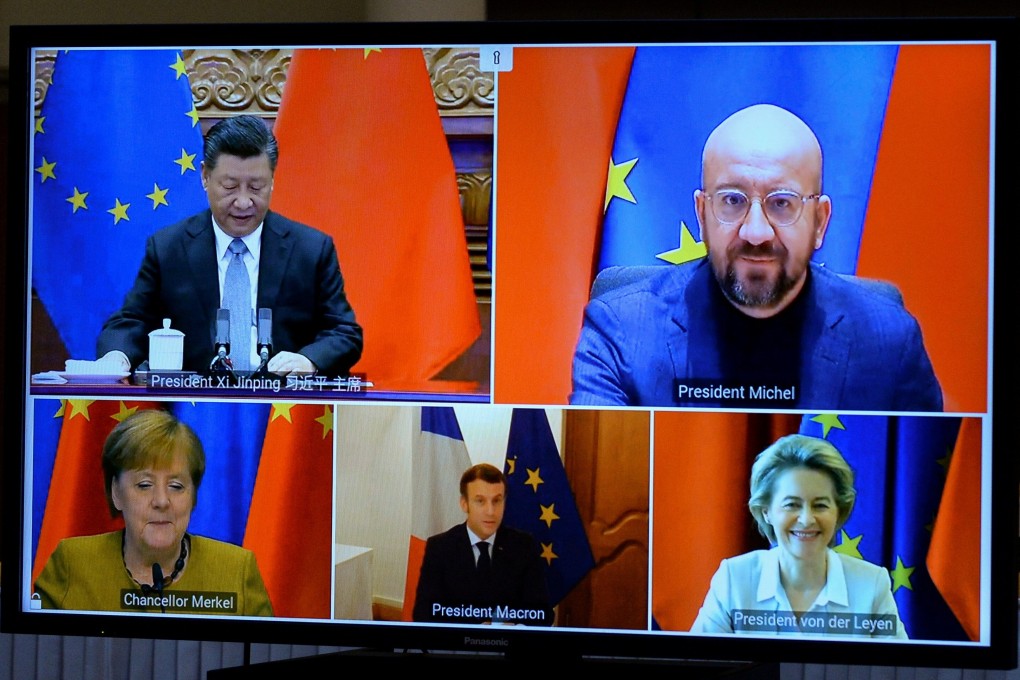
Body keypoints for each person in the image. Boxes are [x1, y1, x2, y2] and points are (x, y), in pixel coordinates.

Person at [570, 104, 942, 411]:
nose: (756, 232)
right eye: (732, 201)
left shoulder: (890, 343)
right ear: (702, 215)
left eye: (782, 203)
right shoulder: (620, 330)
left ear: (820, 221)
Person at [97, 115, 362, 377]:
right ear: (205, 176)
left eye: (256, 187)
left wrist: (308, 360)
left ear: (272, 180)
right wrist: (117, 357)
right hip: (195, 409)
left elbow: (344, 332)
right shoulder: (169, 248)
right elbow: (130, 322)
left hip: (280, 408)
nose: (244, 202)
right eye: (230, 186)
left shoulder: (311, 250)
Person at [34, 410, 273, 616]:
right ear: (116, 492)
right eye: (144, 485)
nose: (161, 501)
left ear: (193, 497)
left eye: (176, 487)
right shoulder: (72, 564)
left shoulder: (236, 570)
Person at [691, 434, 907, 639]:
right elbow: (700, 664)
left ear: (838, 511)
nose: (806, 519)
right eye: (792, 505)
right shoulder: (734, 578)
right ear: (766, 511)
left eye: (820, 505)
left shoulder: (872, 583)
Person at [412, 463, 552, 625]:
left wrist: (514, 628)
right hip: (459, 647)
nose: (490, 511)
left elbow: (543, 614)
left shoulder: (524, 546)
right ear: (464, 503)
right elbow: (423, 614)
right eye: (480, 501)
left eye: (497, 501)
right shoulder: (440, 547)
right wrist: (473, 630)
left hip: (510, 645)